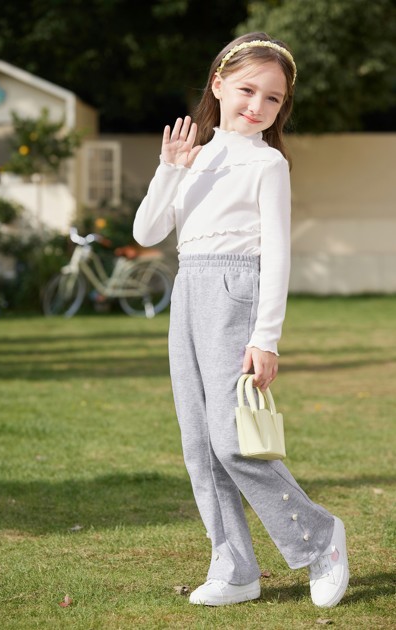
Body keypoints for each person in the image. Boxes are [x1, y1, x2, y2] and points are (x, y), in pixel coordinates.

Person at [133, 32, 349, 608]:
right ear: (218, 84)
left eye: (273, 98)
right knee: (199, 444)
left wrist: (266, 338)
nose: (258, 105)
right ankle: (233, 569)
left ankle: (319, 535)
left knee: (233, 442)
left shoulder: (268, 162)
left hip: (236, 292)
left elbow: (277, 254)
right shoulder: (192, 157)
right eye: (248, 90)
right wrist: (169, 169)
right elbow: (147, 233)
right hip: (188, 292)